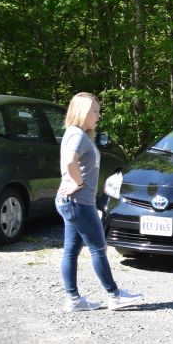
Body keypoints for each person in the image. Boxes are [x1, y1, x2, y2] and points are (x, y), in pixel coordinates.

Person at [56, 92, 144, 312]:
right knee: (98, 247)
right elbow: (70, 162)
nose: (99, 115)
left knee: (71, 249)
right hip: (78, 202)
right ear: (82, 112)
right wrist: (78, 183)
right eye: (94, 111)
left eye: (98, 110)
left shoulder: (77, 133)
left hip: (73, 201)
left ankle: (73, 300)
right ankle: (114, 296)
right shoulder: (77, 135)